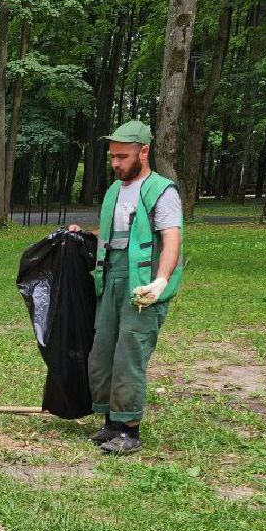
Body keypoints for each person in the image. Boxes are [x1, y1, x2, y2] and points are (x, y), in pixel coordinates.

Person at [69, 120, 183, 455]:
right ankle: (110, 424)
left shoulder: (162, 190)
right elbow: (115, 238)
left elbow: (171, 242)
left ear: (144, 151)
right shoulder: (114, 192)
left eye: (122, 156)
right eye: (112, 157)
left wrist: (160, 282)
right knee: (101, 354)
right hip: (111, 281)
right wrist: (83, 235)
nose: (116, 163)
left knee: (129, 355)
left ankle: (129, 430)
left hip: (142, 287)